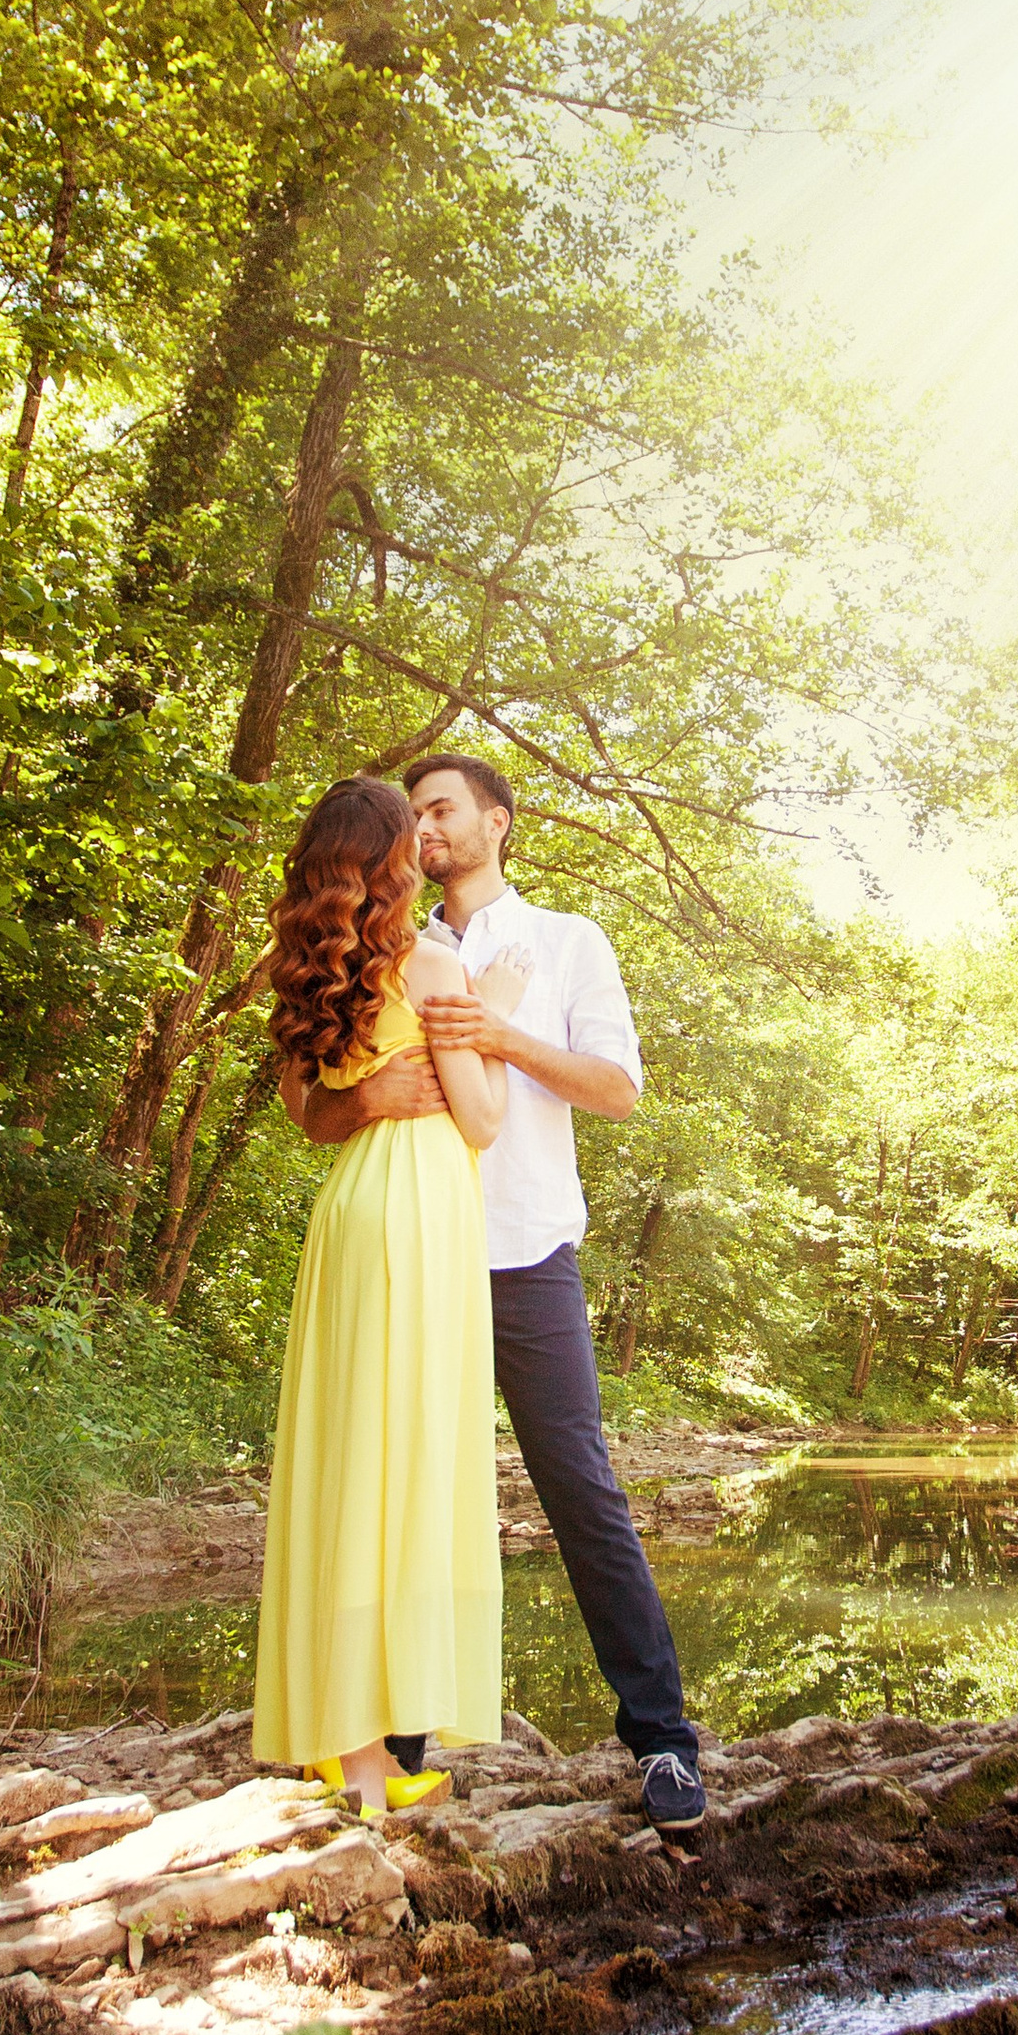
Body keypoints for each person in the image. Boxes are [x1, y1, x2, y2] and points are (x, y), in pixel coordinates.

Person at [280, 749, 707, 1831]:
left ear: (497, 823)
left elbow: (615, 1091)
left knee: (580, 1489)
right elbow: (314, 1107)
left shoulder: (566, 943)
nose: (423, 830)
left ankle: (661, 1739)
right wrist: (371, 1094)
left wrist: (501, 1034)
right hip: (406, 1260)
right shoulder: (382, 945)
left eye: (442, 811)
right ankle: (394, 1742)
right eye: (411, 816)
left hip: (520, 1258)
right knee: (396, 1489)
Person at [252, 777, 512, 1815]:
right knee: (403, 1468)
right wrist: (501, 1019)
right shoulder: (434, 962)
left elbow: (309, 1115)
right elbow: (484, 1120)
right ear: (397, 857)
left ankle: (351, 1741)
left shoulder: (306, 968)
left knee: (350, 1461)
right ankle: (364, 1763)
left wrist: (363, 1098)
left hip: (353, 1206)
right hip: (422, 1210)